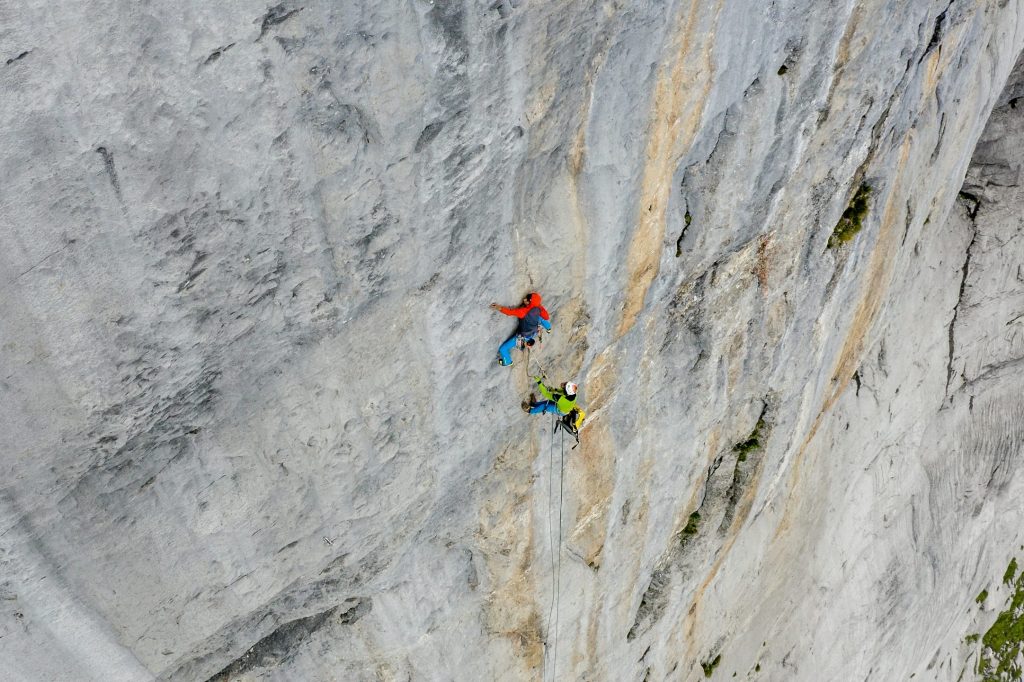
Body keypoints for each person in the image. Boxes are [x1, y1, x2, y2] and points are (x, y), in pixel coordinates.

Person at [491, 293, 551, 367]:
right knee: (539, 318)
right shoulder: (538, 308)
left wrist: (498, 307)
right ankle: (548, 328)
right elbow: (546, 317)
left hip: (523, 337)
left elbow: (510, 312)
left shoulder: (523, 312)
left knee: (503, 349)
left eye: (526, 299)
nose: (524, 300)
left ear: (530, 302)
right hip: (533, 331)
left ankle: (508, 361)